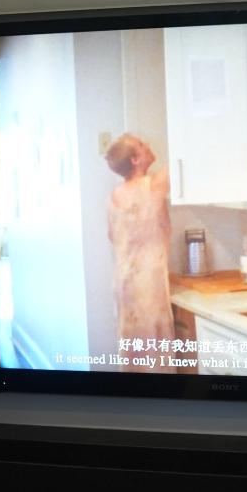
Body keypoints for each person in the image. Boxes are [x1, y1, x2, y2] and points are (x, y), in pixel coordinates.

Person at [104, 134, 174, 370]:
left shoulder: (114, 196)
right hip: (148, 284)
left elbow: (112, 236)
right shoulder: (153, 185)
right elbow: (183, 154)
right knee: (155, 350)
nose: (149, 145)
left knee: (133, 351)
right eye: (142, 146)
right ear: (135, 160)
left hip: (123, 281)